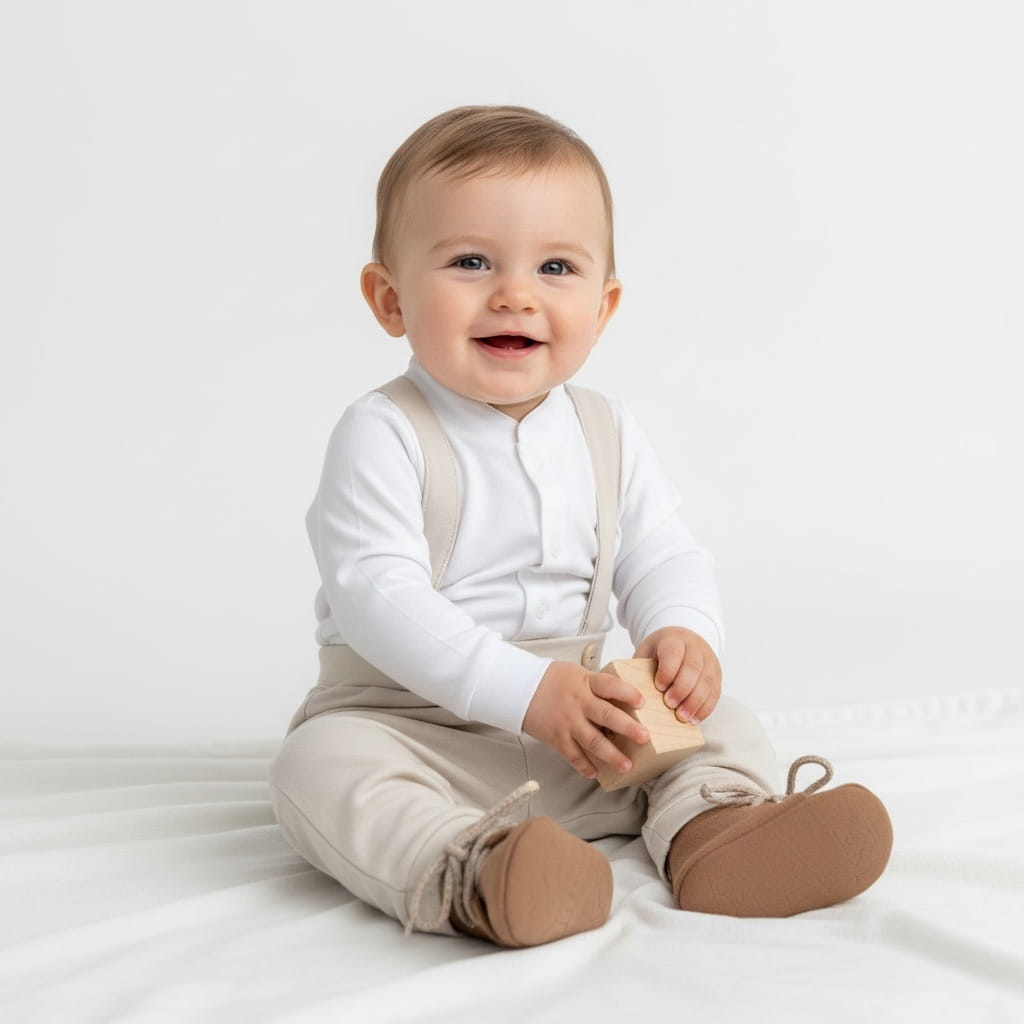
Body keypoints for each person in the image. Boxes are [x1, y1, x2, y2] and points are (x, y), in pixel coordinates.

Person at [269, 105, 892, 948]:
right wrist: (527, 693)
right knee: (320, 766)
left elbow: (661, 549)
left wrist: (682, 632)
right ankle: (476, 872)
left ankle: (717, 831)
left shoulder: (606, 429)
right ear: (390, 298)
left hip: (586, 729)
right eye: (470, 261)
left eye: (556, 266)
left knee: (724, 724)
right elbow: (379, 595)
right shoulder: (383, 432)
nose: (515, 293)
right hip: (414, 727)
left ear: (603, 306)